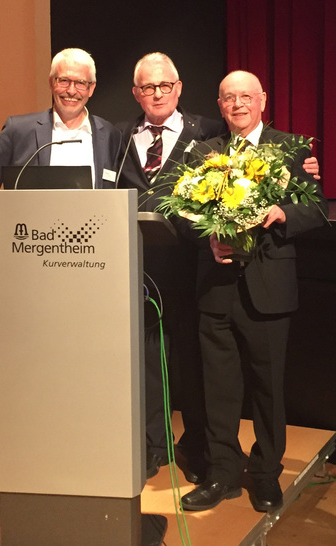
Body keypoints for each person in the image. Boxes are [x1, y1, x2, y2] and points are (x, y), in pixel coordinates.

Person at [180, 70, 328, 513]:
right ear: (220, 104)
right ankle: (222, 474)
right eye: (228, 97)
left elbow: (317, 208)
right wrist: (206, 235)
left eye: (246, 96)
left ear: (262, 100)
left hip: (269, 287)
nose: (237, 104)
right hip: (216, 289)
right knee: (218, 389)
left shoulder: (291, 148)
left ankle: (265, 475)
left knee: (267, 388)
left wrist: (285, 213)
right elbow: (182, 211)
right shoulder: (206, 151)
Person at [118, 52, 226, 482]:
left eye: (165, 86)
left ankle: (197, 444)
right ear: (136, 93)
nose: (157, 93)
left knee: (194, 364)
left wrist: (303, 166)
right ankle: (152, 444)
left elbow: (255, 158)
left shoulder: (211, 132)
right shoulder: (120, 136)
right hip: (138, 272)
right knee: (145, 363)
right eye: (148, 87)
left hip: (197, 271)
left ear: (179, 88)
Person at [0, 48, 122, 211]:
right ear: (51, 83)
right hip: (32, 234)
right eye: (63, 81)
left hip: (93, 234)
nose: (71, 90)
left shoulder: (111, 135)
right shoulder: (19, 130)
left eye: (80, 83)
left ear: (91, 88)